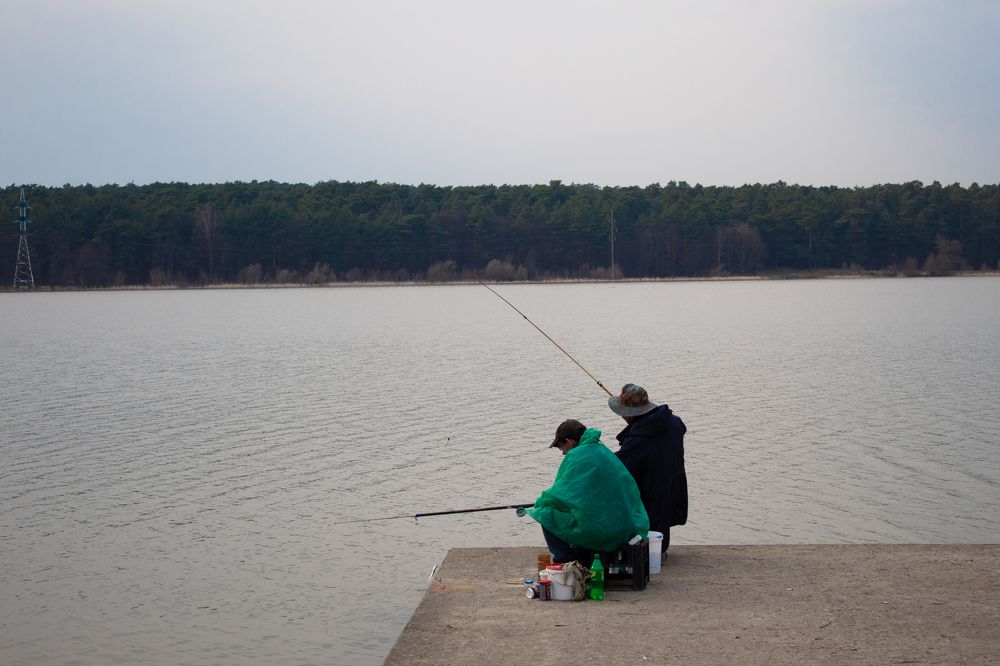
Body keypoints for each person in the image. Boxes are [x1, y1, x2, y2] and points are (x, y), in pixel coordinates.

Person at [526, 419, 649, 563]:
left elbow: (559, 495)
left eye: (561, 447)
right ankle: (579, 553)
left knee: (545, 513)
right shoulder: (602, 450)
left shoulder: (577, 456)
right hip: (629, 527)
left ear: (569, 441)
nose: (563, 453)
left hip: (605, 531)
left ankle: (565, 561)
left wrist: (540, 503)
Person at [608, 384, 688, 554]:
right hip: (672, 480)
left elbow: (618, 466)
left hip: (652, 489)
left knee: (650, 534)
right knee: (659, 530)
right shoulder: (673, 422)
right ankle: (657, 550)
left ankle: (648, 554)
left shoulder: (639, 438)